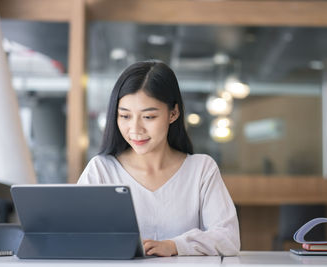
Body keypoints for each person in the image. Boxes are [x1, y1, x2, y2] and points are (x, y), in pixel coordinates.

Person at [78, 60, 240, 257]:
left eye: (149, 117)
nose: (135, 129)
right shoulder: (101, 170)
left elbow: (228, 238)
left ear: (173, 113)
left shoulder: (201, 169)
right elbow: (77, 234)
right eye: (125, 116)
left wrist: (174, 246)